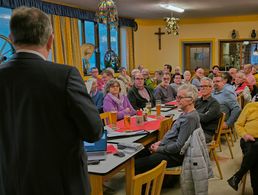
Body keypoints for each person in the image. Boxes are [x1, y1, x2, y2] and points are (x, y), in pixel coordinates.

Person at [0, 6, 103, 195]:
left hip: (9, 183)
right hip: (61, 184)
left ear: (12, 39)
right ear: (51, 40)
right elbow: (94, 131)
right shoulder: (65, 75)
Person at [135, 84, 200, 174]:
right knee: (138, 152)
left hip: (175, 156)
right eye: (177, 96)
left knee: (137, 164)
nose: (177, 100)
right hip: (169, 148)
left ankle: (145, 186)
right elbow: (172, 135)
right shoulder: (184, 113)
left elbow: (178, 146)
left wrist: (159, 149)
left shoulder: (190, 118)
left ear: (191, 100)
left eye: (180, 97)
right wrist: (160, 142)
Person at [227, 101, 258, 194]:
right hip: (248, 140)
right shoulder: (250, 106)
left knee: (256, 155)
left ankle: (237, 176)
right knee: (255, 152)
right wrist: (245, 135)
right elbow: (238, 124)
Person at [195, 77, 221, 143]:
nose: (203, 88)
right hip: (194, 129)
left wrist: (192, 112)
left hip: (206, 133)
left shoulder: (214, 104)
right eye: (201, 86)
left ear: (211, 88)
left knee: (184, 139)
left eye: (205, 86)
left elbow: (204, 118)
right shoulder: (197, 101)